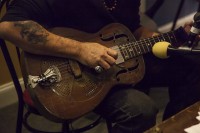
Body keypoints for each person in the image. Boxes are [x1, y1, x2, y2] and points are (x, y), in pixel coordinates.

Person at [0, 0, 200, 132]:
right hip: (78, 80)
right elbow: (8, 27)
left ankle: (172, 128)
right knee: (141, 110)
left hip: (120, 66)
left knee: (193, 65)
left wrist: (172, 37)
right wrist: (80, 50)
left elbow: (132, 30)